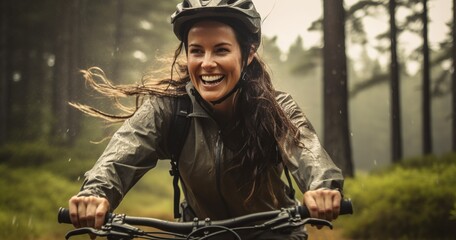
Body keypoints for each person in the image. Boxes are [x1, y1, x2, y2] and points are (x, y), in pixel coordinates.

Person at [68, 0, 344, 239]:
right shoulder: (168, 108)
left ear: (247, 55)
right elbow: (125, 148)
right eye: (197, 51)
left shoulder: (276, 107)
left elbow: (307, 151)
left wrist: (322, 189)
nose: (207, 63)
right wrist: (95, 194)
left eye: (221, 50)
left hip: (274, 231)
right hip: (198, 232)